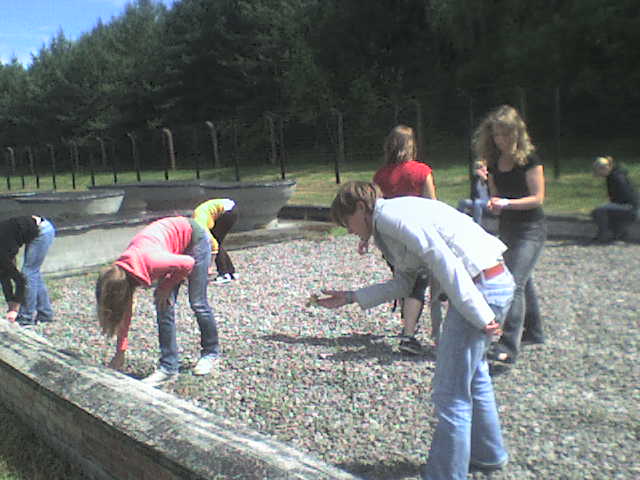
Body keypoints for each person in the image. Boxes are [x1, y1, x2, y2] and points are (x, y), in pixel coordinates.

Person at [315, 181, 514, 479]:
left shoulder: (392, 218)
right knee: (474, 375)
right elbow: (405, 283)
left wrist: (480, 314)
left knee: (450, 393)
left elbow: (443, 260)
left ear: (361, 207)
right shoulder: (390, 220)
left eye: (347, 222)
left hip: (481, 289)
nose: (349, 230)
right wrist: (351, 297)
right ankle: (488, 454)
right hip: (492, 282)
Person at [96, 216, 220, 387]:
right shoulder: (122, 273)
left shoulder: (152, 261)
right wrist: (120, 351)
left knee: (198, 302)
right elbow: (125, 311)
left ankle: (211, 354)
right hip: (169, 247)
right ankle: (168, 368)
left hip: (195, 239)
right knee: (163, 305)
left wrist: (166, 287)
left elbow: (188, 263)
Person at [473, 104, 546, 367]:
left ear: (517, 133)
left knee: (513, 283)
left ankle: (507, 346)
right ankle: (534, 331)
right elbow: (495, 197)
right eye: (496, 135)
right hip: (507, 228)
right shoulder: (493, 162)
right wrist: (490, 194)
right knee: (524, 280)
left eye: (505, 134)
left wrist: (507, 203)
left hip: (531, 229)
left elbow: (537, 198)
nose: (500, 140)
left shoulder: (530, 159)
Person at [371, 124, 442, 353]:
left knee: (402, 279)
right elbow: (432, 206)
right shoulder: (422, 171)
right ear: (411, 145)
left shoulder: (380, 175)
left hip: (390, 238)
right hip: (415, 234)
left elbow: (375, 209)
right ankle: (408, 335)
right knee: (418, 284)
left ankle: (408, 322)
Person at [0, 215, 56, 327]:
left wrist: (15, 308)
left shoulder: (2, 253)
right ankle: (45, 314)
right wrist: (10, 302)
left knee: (28, 273)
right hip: (33, 228)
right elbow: (4, 277)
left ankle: (25, 318)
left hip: (42, 230)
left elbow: (20, 281)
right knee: (34, 273)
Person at [591, 155, 639, 243]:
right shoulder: (613, 175)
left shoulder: (616, 178)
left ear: (604, 168)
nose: (599, 175)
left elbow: (626, 196)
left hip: (629, 206)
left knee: (598, 211)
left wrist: (613, 203)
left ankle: (606, 235)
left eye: (599, 172)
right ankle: (616, 234)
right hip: (627, 205)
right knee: (605, 209)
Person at [193, 198, 238, 283]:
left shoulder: (201, 225)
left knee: (215, 241)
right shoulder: (199, 222)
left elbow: (214, 245)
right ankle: (231, 272)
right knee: (218, 240)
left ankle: (224, 274)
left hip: (227, 211)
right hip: (230, 208)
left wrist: (209, 266)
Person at [458, 159, 491, 226]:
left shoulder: (490, 177)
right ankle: (459, 222)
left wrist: (484, 178)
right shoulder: (475, 179)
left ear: (486, 167)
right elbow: (473, 194)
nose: (479, 169)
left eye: (481, 167)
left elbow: (493, 190)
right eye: (477, 167)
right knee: (463, 202)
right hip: (478, 201)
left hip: (488, 202)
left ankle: (476, 225)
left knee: (477, 203)